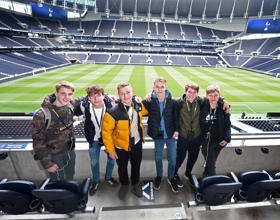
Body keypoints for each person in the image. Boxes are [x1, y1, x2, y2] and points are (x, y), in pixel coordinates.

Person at [102, 82, 148, 200]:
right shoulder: (112, 112)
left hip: (136, 143)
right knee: (122, 168)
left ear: (132, 93)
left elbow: (148, 109)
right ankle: (124, 184)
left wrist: (147, 97)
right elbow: (106, 133)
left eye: (128, 92)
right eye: (122, 94)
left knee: (136, 166)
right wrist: (111, 150)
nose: (126, 96)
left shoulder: (139, 106)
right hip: (120, 147)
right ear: (118, 95)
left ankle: (135, 183)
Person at [74, 85, 118, 196]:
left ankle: (108, 178)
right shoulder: (85, 106)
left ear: (103, 95)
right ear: (88, 98)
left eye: (98, 95)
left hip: (109, 138)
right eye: (92, 96)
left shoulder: (111, 104)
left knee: (112, 160)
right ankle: (96, 181)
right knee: (94, 162)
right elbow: (70, 105)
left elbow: (127, 99)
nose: (95, 99)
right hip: (93, 139)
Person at [32, 81, 79, 181]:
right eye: (63, 93)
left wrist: (106, 96)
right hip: (54, 156)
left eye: (70, 94)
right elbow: (38, 142)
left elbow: (81, 100)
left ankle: (69, 194)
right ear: (56, 93)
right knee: (58, 182)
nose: (67, 97)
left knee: (70, 175)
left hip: (70, 151)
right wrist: (48, 164)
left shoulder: (69, 104)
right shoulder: (41, 114)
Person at [142, 77, 179, 193]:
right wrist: (145, 96)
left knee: (172, 160)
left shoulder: (173, 102)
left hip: (170, 136)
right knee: (158, 159)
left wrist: (177, 130)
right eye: (157, 87)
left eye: (162, 87)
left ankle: (171, 177)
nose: (159, 89)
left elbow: (176, 117)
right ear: (153, 87)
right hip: (158, 137)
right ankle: (158, 176)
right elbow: (135, 102)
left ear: (165, 87)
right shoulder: (149, 101)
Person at [174, 82, 203, 187]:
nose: (191, 94)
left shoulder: (201, 102)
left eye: (194, 92)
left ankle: (188, 173)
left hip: (196, 137)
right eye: (189, 92)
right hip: (183, 136)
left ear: (197, 93)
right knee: (180, 157)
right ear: (185, 92)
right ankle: (174, 174)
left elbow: (214, 98)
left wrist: (224, 101)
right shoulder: (179, 103)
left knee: (193, 157)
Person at [200, 85, 231, 177]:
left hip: (219, 140)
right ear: (206, 96)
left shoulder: (223, 107)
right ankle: (213, 182)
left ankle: (205, 177)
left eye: (216, 95)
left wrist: (226, 139)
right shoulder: (202, 105)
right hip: (205, 140)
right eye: (210, 95)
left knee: (211, 161)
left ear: (219, 95)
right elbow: (191, 98)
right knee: (211, 162)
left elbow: (227, 124)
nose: (213, 98)